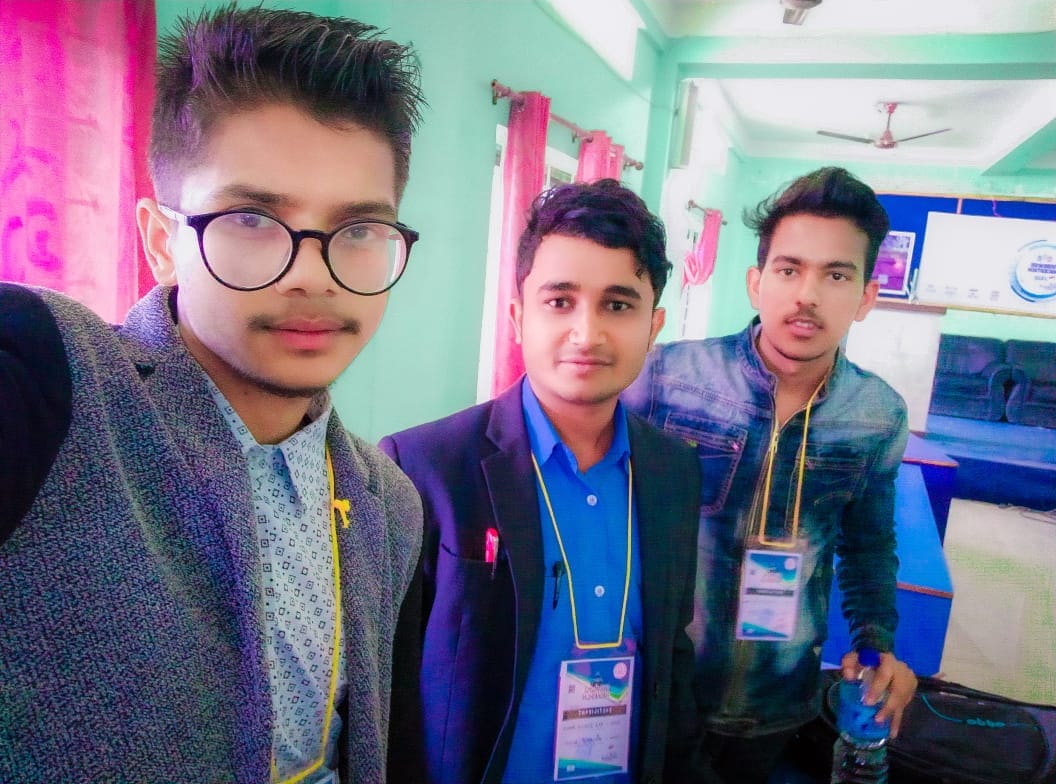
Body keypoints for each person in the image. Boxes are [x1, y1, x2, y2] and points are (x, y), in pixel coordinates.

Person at [0, 7, 425, 783]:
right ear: (161, 240)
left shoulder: (389, 503)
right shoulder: (57, 387)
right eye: (253, 219)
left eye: (360, 230)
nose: (314, 274)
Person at [380, 179, 711, 784]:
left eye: (618, 305)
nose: (588, 334)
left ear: (654, 324)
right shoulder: (426, 466)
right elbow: (384, 683)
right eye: (560, 301)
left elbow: (671, 653)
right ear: (518, 317)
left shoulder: (674, 472)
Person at [623, 167, 919, 783]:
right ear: (757, 283)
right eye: (789, 270)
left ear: (866, 297)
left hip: (777, 699)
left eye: (836, 275)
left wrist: (874, 647)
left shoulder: (877, 415)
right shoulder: (667, 379)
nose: (807, 295)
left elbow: (868, 548)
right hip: (658, 688)